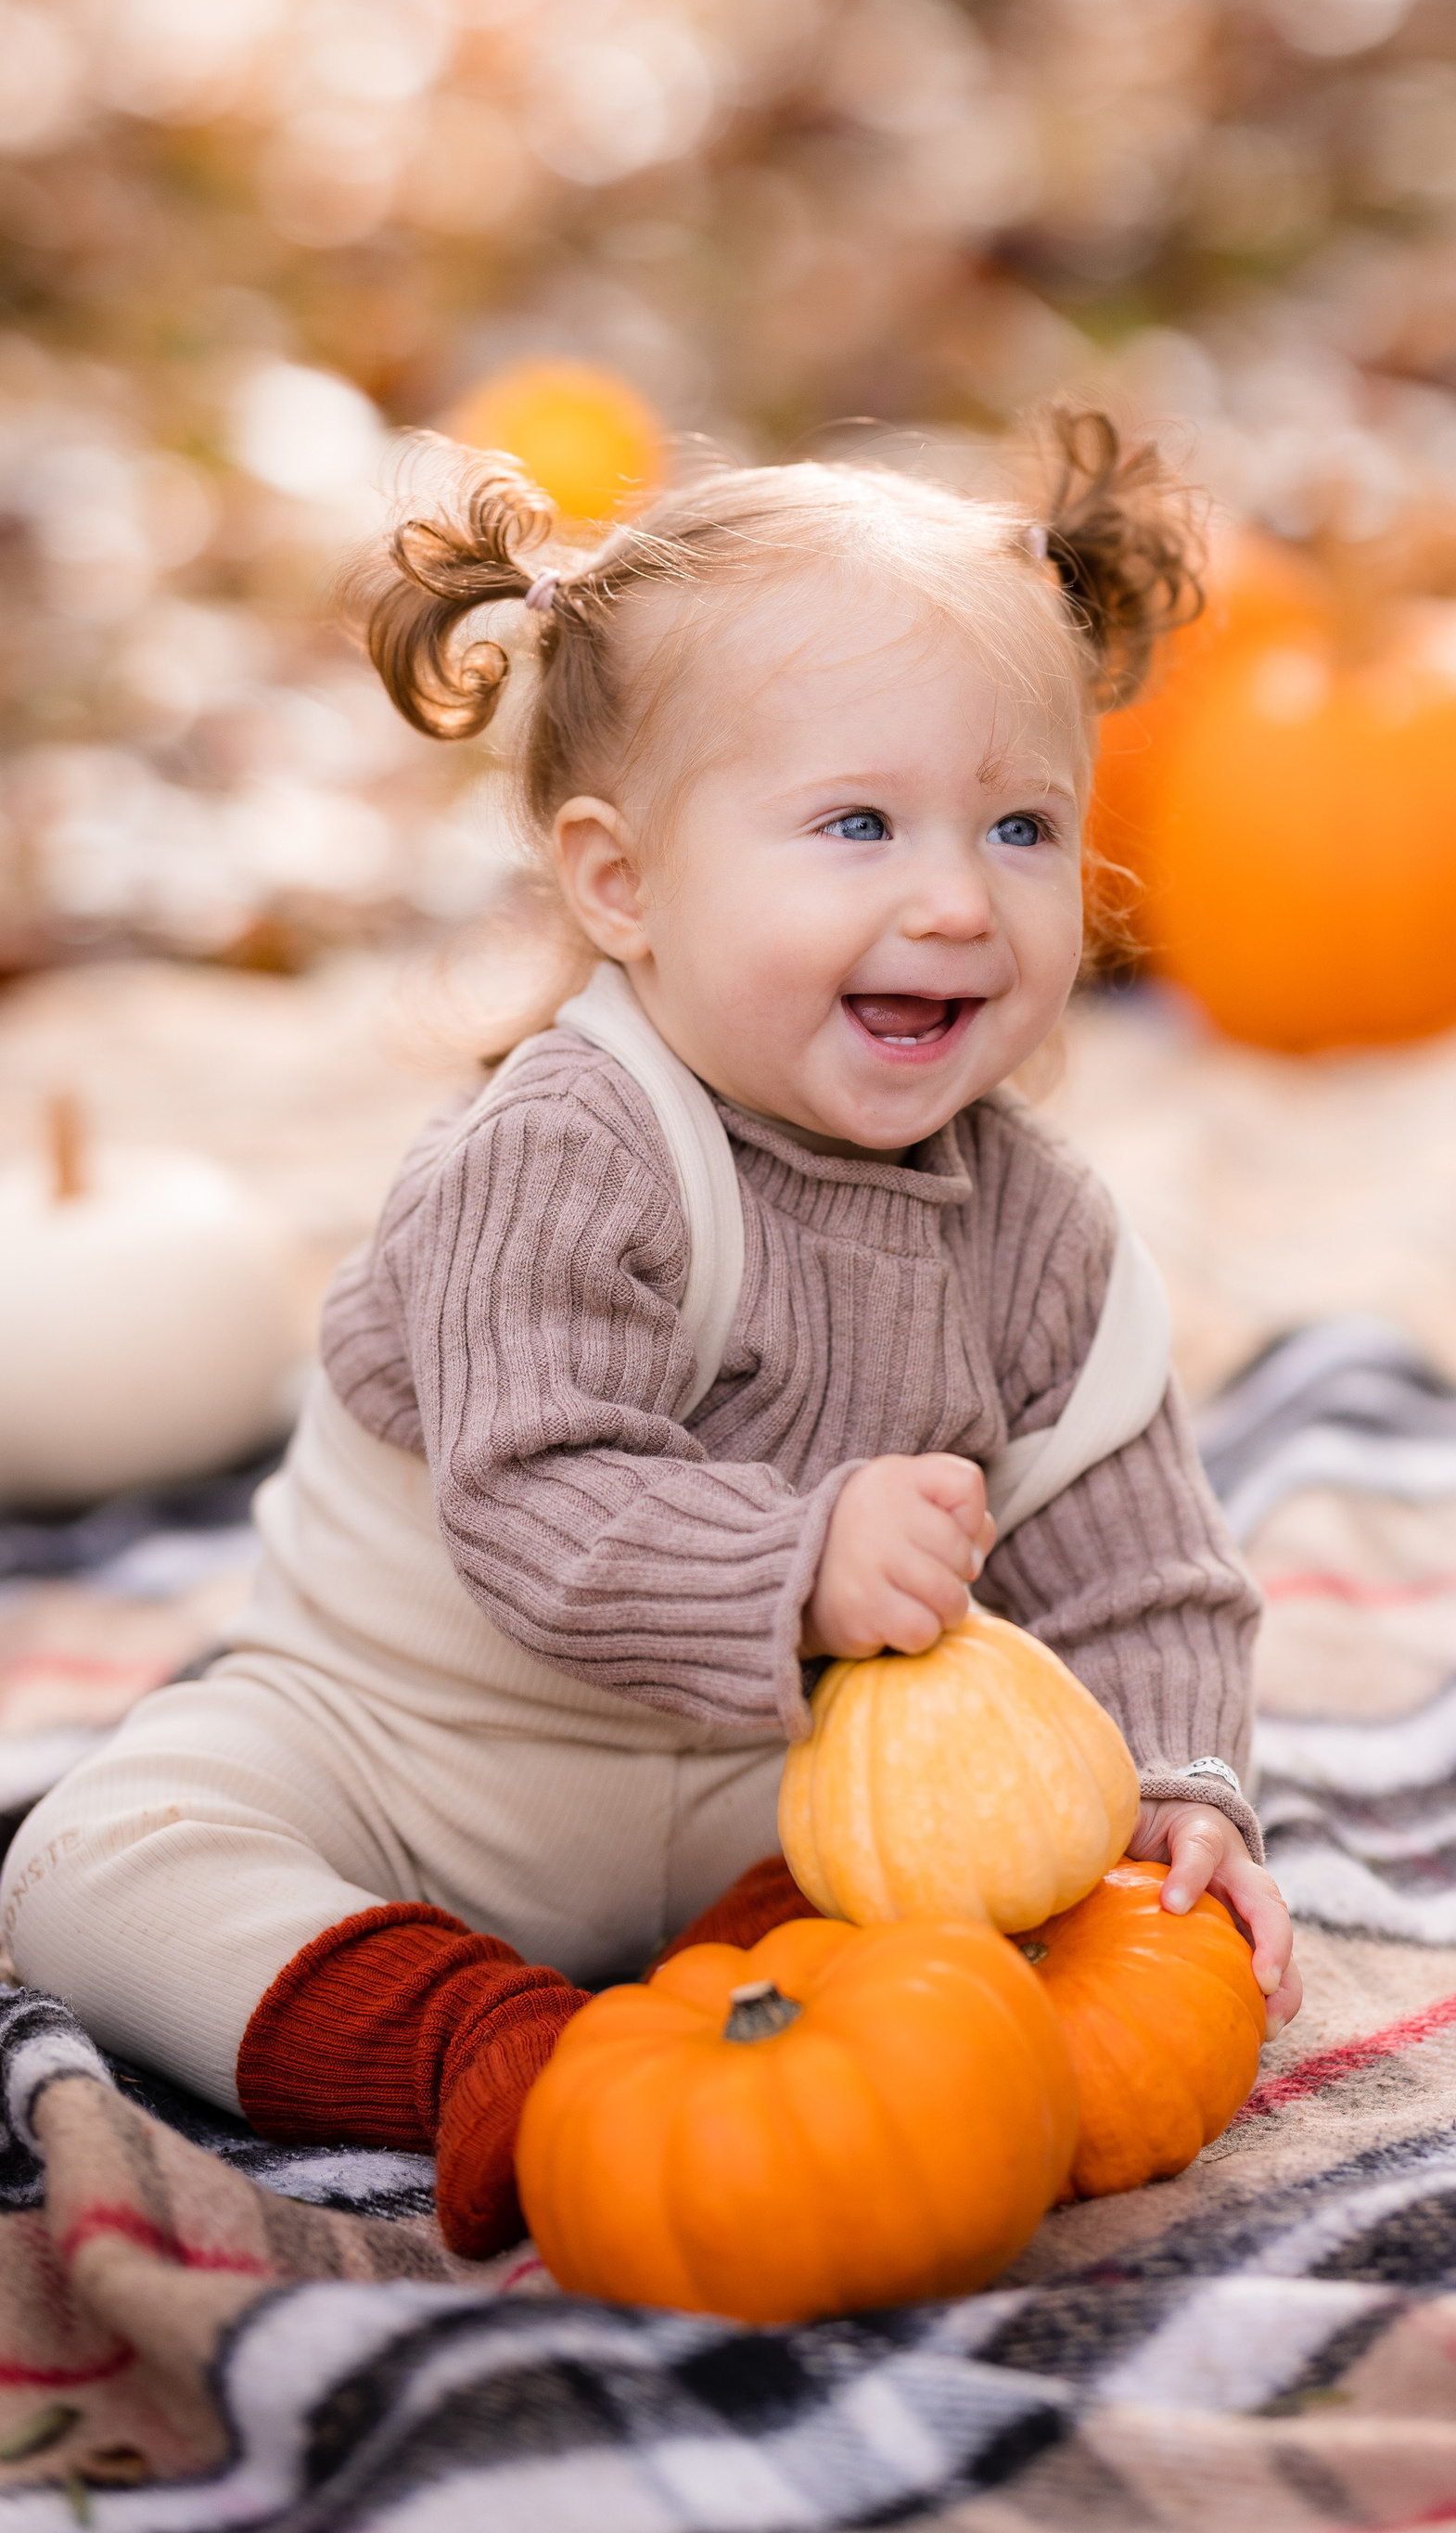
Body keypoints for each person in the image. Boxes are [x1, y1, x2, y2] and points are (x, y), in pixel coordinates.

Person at [2, 411, 1296, 2256]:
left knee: (1010, 1892)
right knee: (93, 1864)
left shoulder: (1040, 1226)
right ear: (621, 882)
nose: (955, 897)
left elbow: (1139, 1559)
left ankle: (753, 1985)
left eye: (1020, 826)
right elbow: (536, 1498)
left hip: (786, 1796)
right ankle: (475, 2032)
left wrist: (1182, 1783)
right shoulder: (562, 1148)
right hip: (413, 1749)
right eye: (858, 824)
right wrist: (802, 1556)